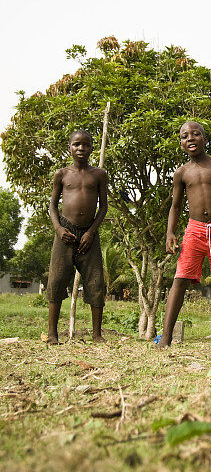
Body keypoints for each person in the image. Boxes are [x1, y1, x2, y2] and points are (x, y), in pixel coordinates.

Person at [159, 121, 211, 347]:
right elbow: (175, 207)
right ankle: (165, 337)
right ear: (181, 144)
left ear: (205, 139)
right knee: (181, 279)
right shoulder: (182, 173)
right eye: (185, 136)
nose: (191, 139)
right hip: (194, 231)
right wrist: (170, 233)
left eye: (196, 134)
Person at [46, 129, 108, 344]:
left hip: (89, 233)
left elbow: (103, 207)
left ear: (92, 147)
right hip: (65, 231)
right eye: (77, 145)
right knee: (56, 279)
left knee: (96, 281)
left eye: (86, 145)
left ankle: (97, 334)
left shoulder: (99, 175)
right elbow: (53, 206)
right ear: (70, 147)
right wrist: (59, 229)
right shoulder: (62, 175)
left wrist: (91, 232)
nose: (81, 149)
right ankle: (52, 334)